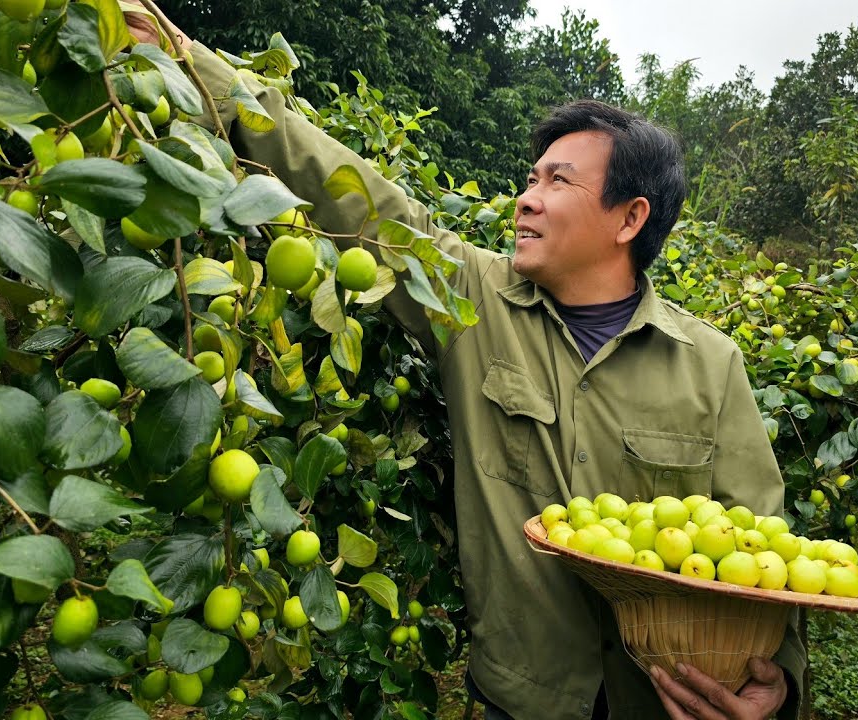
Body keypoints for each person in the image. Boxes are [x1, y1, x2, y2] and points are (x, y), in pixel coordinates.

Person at [126, 8, 805, 719]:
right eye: (531, 176)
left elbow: (769, 549)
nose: (526, 198)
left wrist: (776, 684)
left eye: (556, 182)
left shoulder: (711, 366)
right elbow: (354, 193)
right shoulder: (473, 299)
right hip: (521, 700)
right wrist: (196, 63)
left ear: (630, 219)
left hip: (665, 704)